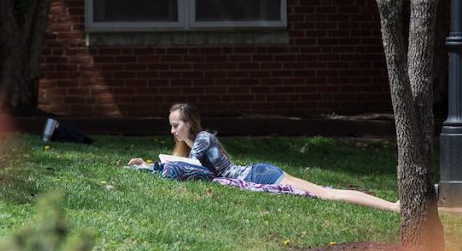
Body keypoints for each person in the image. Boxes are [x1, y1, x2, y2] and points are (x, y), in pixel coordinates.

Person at [128, 103, 400, 213]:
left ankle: (394, 206)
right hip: (259, 173)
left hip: (261, 175)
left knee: (327, 194)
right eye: (171, 125)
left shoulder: (202, 139)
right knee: (327, 193)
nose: (172, 130)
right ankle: (393, 205)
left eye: (176, 125)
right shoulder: (189, 146)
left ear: (189, 123)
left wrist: (152, 167)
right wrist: (145, 166)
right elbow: (179, 167)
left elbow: (186, 169)